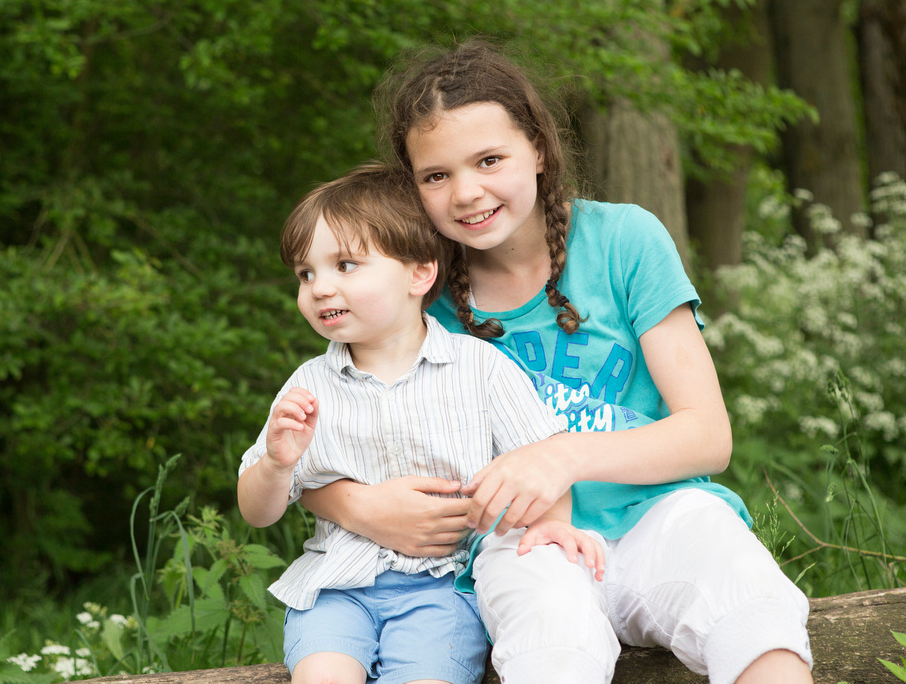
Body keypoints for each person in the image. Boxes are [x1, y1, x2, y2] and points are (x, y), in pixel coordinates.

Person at [299, 40, 814, 684]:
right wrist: (355, 506)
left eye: (490, 159)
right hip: (522, 545)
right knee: (548, 646)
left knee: (753, 608)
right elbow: (322, 424)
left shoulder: (623, 241)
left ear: (539, 148)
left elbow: (708, 436)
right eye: (436, 176)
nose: (466, 192)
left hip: (661, 513)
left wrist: (562, 453)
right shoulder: (415, 293)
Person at [238, 162, 604, 684]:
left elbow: (541, 458)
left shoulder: (480, 367)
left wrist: (551, 526)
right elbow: (256, 512)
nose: (319, 288)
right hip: (336, 590)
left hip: (443, 592)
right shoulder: (309, 385)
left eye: (345, 265)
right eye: (306, 273)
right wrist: (276, 464)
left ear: (419, 273)